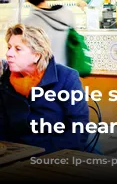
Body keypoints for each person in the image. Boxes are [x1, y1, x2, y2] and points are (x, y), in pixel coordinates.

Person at [0, 24, 89, 153]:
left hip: (57, 154)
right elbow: (2, 125)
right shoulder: (5, 81)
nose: (9, 54)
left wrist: (45, 154)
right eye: (9, 48)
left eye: (18, 49)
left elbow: (79, 128)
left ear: (37, 55)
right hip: (16, 155)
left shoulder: (66, 77)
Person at [23, 0, 76, 66]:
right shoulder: (67, 13)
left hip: (42, 70)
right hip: (65, 69)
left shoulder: (27, 23)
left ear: (28, 0)